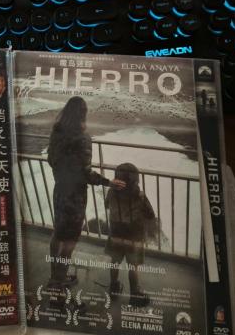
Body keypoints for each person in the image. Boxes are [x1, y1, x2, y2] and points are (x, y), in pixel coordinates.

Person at [47, 96, 125, 287]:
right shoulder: (83, 138)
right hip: (75, 197)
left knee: (58, 234)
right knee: (70, 240)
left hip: (60, 191)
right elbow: (86, 173)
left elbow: (51, 160)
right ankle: (59, 281)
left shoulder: (56, 133)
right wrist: (108, 182)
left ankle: (54, 276)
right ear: (83, 114)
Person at [104, 162, 156, 307]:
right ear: (135, 180)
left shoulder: (111, 192)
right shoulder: (139, 196)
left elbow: (107, 205)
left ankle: (114, 287)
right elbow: (150, 214)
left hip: (116, 235)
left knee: (115, 261)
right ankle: (135, 294)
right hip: (133, 237)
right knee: (133, 266)